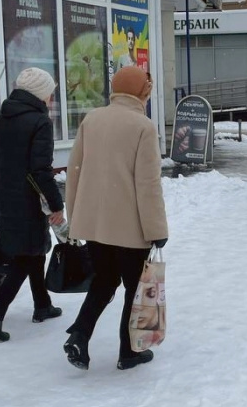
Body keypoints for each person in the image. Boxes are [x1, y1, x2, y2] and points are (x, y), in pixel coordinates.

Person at [63, 66, 168, 371]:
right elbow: (147, 185)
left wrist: (76, 217)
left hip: (96, 224)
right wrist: (156, 229)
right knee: (135, 289)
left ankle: (80, 336)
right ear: (142, 92)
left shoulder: (92, 119)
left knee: (104, 281)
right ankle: (129, 351)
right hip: (130, 227)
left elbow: (75, 171)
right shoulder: (143, 126)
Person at [0, 67, 65, 342]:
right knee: (26, 258)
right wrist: (56, 204)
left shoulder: (1, 120)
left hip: (5, 198)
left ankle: (42, 304)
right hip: (29, 201)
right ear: (40, 93)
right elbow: (40, 170)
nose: (51, 99)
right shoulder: (40, 122)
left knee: (33, 251)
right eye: (50, 93)